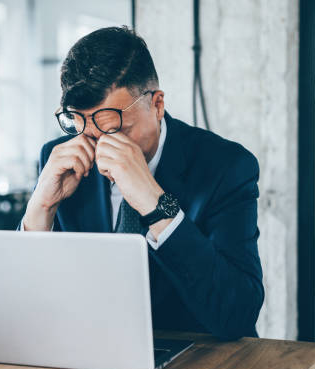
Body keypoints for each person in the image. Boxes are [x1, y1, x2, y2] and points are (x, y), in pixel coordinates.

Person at [21, 26, 263, 340]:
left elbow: (237, 314)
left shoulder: (226, 166)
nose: (101, 149)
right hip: (92, 357)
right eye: (88, 134)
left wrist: (155, 204)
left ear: (157, 105)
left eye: (116, 132)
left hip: (198, 365)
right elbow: (28, 306)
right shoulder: (60, 162)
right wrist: (40, 209)